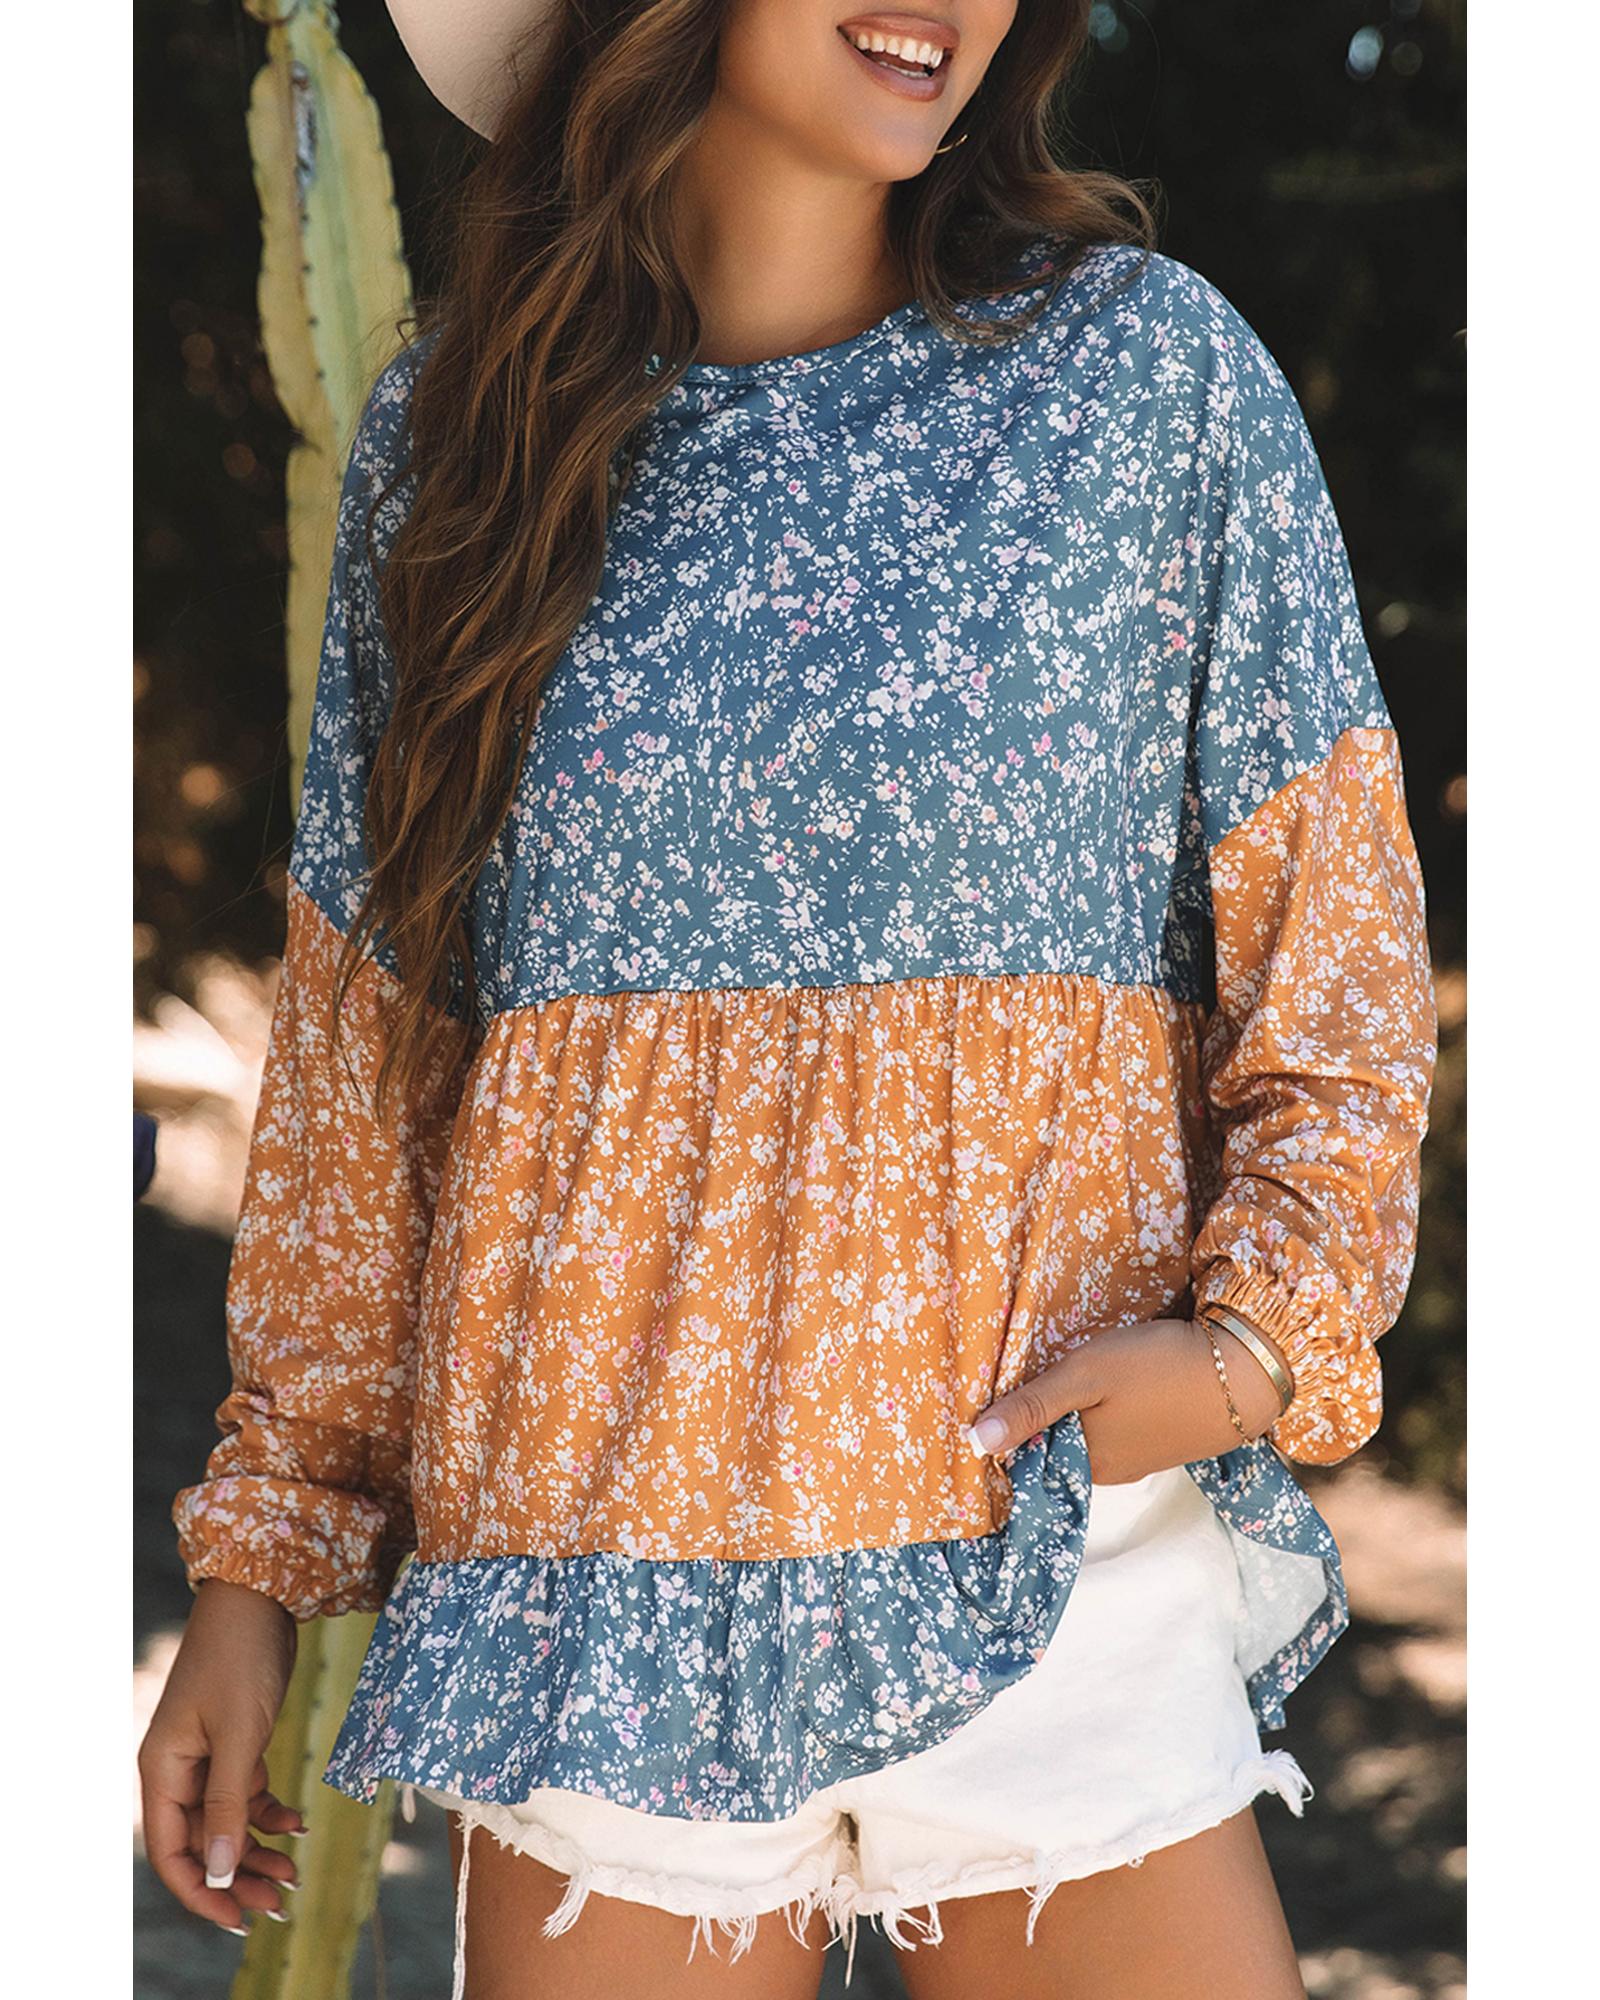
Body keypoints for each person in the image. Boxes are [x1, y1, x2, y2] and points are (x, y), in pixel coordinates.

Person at [138, 4, 1440, 1996]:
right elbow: (370, 1046)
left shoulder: (1142, 381)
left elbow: (1331, 933)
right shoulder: (457, 438)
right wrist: (260, 1556)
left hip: (1046, 1544)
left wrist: (1261, 1343)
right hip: (590, 1573)